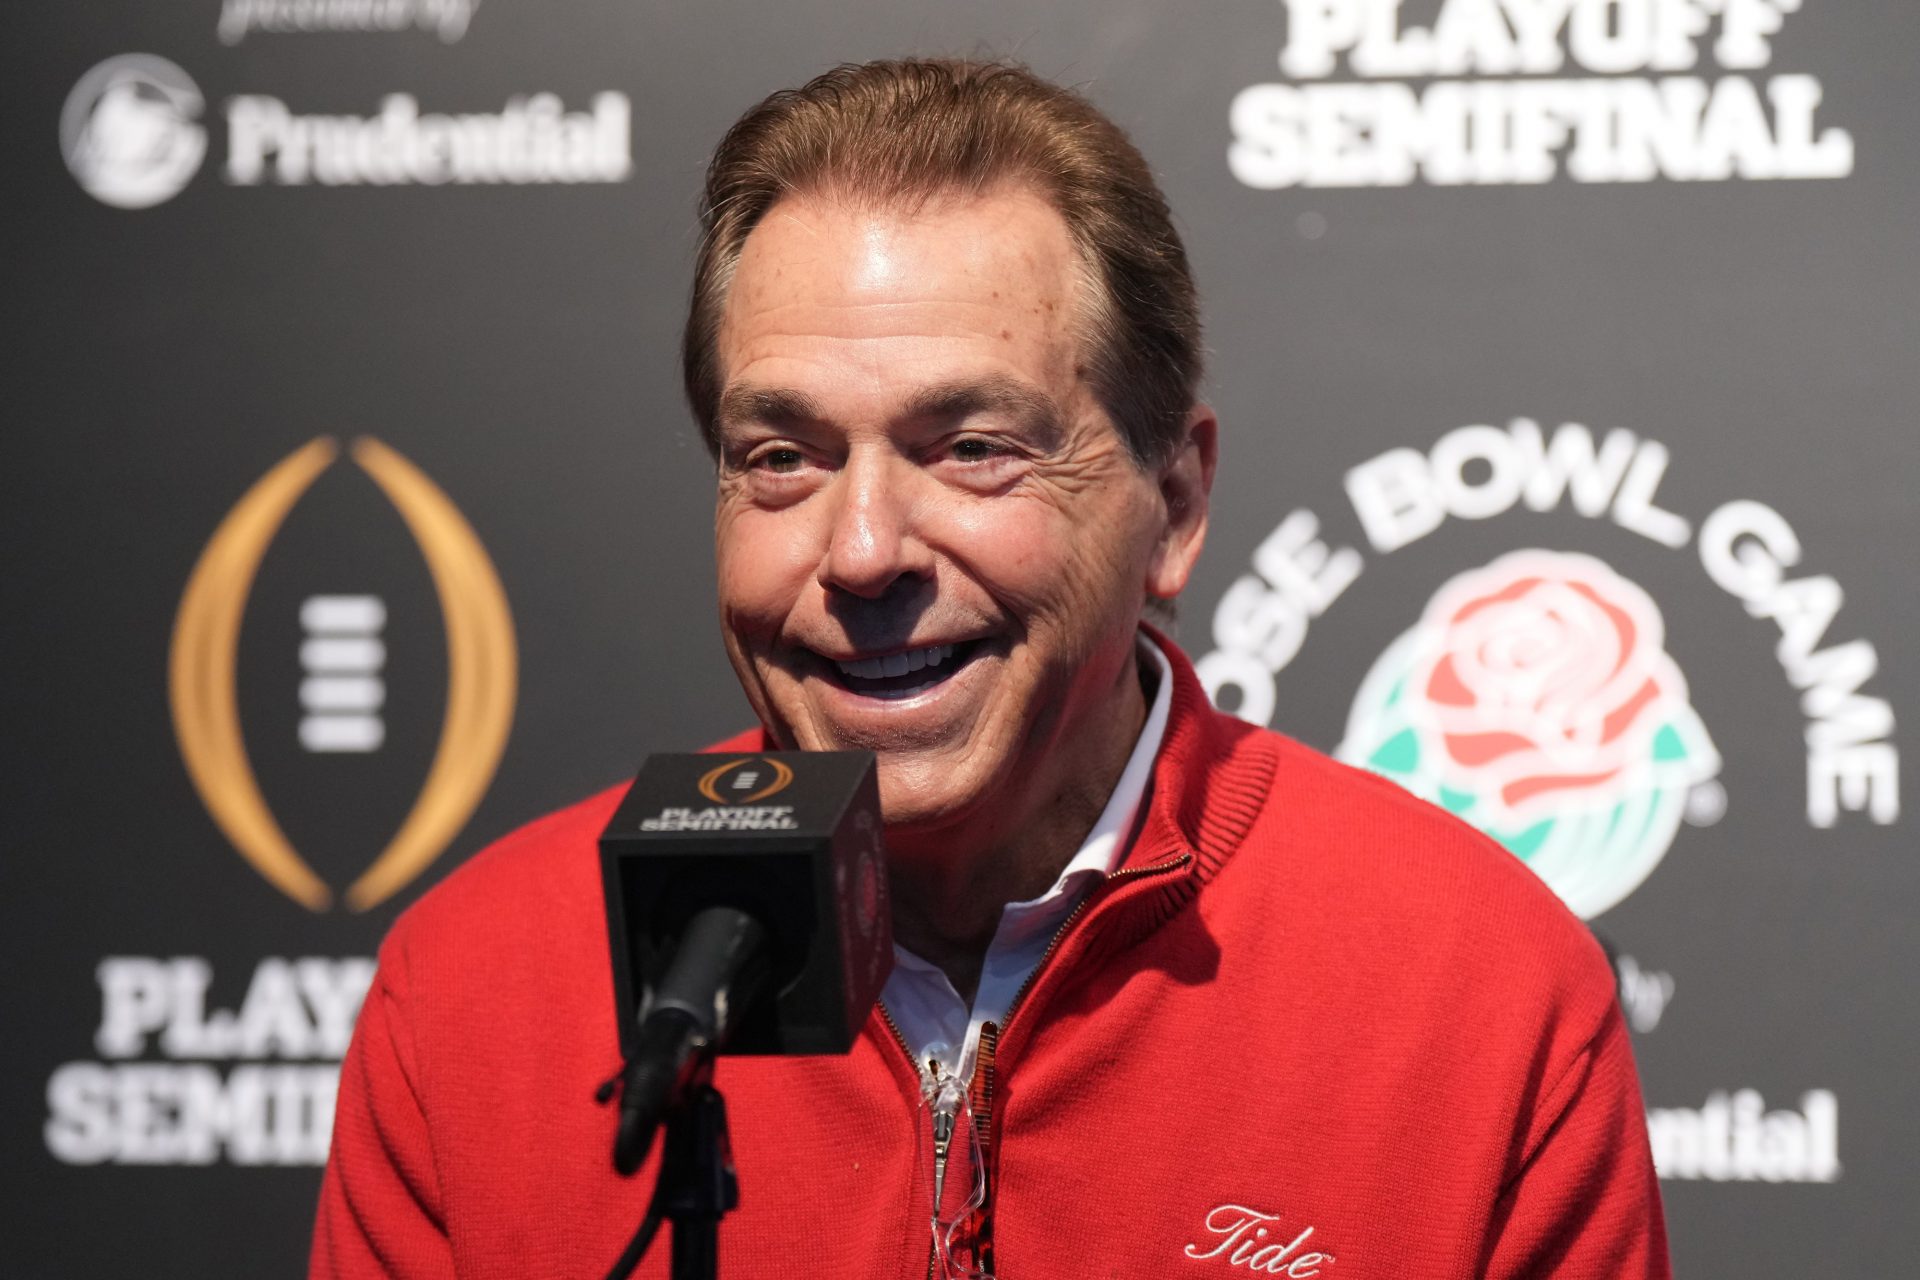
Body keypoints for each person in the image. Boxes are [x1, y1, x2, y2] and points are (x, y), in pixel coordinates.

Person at [312, 58, 1669, 1279]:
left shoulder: (1481, 997)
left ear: (1176, 506)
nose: (858, 551)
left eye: (971, 448)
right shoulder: (480, 993)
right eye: (782, 457)